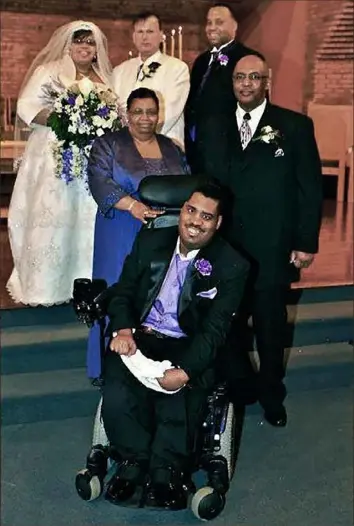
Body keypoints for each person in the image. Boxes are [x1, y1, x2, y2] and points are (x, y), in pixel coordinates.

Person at [100, 182, 250, 509]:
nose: (195, 221)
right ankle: (132, 461)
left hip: (188, 342)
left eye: (206, 216)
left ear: (218, 223)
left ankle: (166, 469)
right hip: (143, 334)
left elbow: (214, 331)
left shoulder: (232, 265)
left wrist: (186, 371)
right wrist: (124, 329)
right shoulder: (152, 239)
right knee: (117, 381)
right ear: (181, 210)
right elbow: (123, 290)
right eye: (190, 210)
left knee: (182, 392)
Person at [211, 54, 323, 427]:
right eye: (240, 77)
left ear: (266, 80)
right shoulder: (214, 125)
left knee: (270, 328)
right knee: (225, 325)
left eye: (253, 77)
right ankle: (242, 387)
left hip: (272, 247)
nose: (245, 84)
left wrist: (306, 242)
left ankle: (272, 394)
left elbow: (310, 189)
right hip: (225, 247)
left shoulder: (294, 126)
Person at [86, 87, 190, 381]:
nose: (145, 118)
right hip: (120, 226)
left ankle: (151, 365)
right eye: (138, 112)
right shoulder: (108, 144)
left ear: (159, 115)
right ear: (126, 114)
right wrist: (133, 206)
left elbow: (187, 185)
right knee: (117, 289)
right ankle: (108, 367)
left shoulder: (171, 147)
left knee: (156, 291)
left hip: (164, 231)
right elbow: (99, 181)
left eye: (151, 112)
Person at [6, 20, 112, 306]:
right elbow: (27, 107)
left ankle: (86, 282)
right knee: (54, 216)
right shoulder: (48, 72)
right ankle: (47, 284)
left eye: (90, 42)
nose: (84, 47)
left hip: (91, 160)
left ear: (97, 48)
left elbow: (112, 115)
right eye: (79, 41)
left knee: (85, 218)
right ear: (68, 44)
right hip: (53, 157)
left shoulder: (104, 78)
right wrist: (63, 118)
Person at [184, 2, 263, 173]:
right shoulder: (201, 61)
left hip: (229, 150)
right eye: (209, 22)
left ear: (235, 26)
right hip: (199, 149)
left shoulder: (247, 58)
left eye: (219, 22)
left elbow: (255, 108)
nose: (212, 27)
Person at [112, 11, 190, 149]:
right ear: (134, 36)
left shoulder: (177, 68)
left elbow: (171, 111)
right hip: (125, 147)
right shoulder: (119, 71)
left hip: (166, 144)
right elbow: (115, 109)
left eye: (150, 31)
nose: (145, 37)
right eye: (140, 32)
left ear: (161, 35)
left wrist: (143, 139)